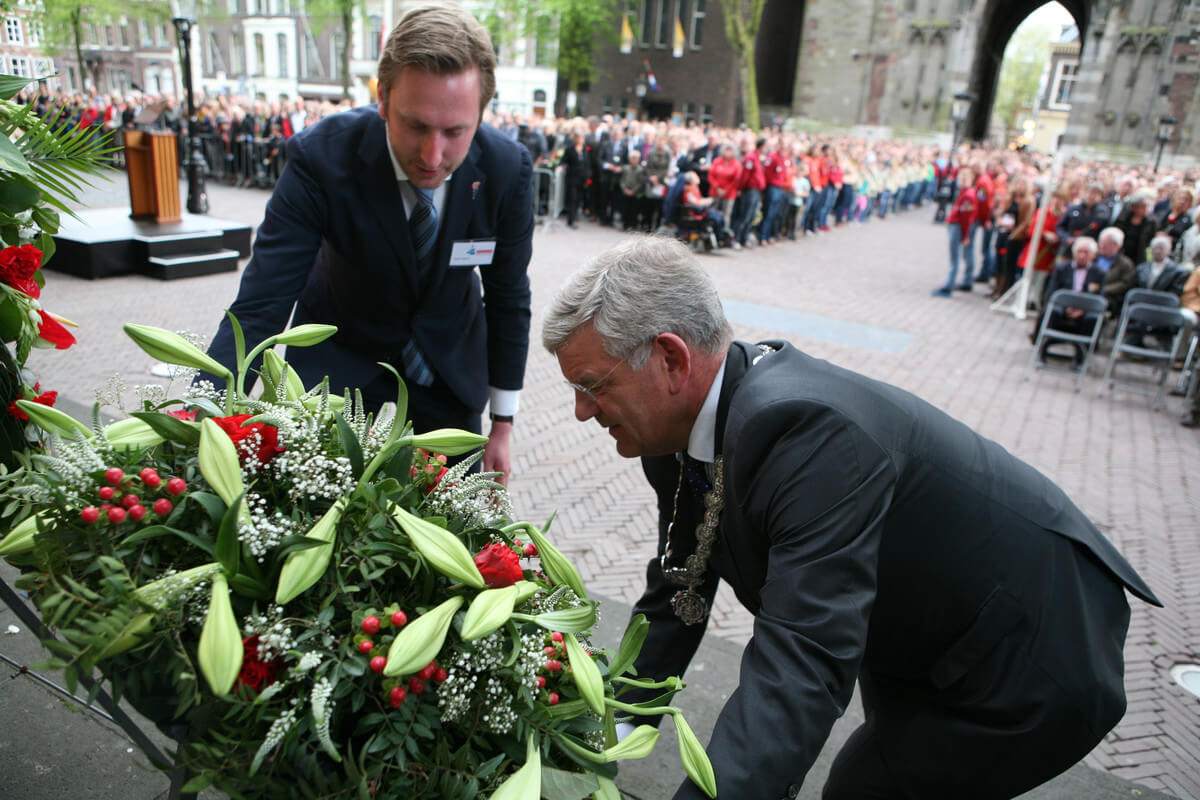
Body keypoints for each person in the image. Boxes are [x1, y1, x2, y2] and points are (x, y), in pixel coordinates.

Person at [542, 236, 1159, 800]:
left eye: (593, 384)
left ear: (671, 361)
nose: (578, 411)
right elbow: (682, 586)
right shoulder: (674, 437)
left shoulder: (806, 434)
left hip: (1027, 656)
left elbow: (802, 659)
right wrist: (607, 724)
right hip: (914, 634)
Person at [203, 5, 533, 482]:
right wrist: (203, 414)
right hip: (340, 355)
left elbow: (509, 297)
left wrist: (503, 423)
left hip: (446, 370)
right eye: (416, 125)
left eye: (455, 132)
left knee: (450, 527)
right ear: (382, 98)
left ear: (481, 114)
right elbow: (263, 302)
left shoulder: (508, 170)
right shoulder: (321, 157)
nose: (432, 155)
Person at [1035, 237, 1106, 367]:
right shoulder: (1062, 268)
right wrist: (1065, 306)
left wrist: (1082, 310)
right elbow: (1052, 292)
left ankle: (1080, 358)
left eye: (1086, 252)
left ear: (1093, 255)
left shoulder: (1099, 273)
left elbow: (1099, 298)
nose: (1082, 255)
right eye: (1080, 251)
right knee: (1051, 311)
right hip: (1062, 307)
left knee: (1093, 318)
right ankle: (1042, 351)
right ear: (1074, 253)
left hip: (1084, 311)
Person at [932, 166, 977, 297]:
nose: (962, 181)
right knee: (955, 257)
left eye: (965, 179)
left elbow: (967, 218)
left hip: (958, 226)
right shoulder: (963, 192)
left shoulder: (968, 195)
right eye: (961, 178)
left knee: (955, 257)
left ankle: (949, 286)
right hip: (955, 224)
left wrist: (965, 234)